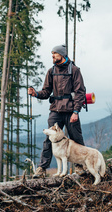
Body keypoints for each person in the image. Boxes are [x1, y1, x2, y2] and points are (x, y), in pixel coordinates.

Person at [28, 44, 86, 178]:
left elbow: (80, 92)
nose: (52, 56)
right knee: (49, 139)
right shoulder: (51, 71)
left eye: (55, 53)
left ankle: (80, 166)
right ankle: (42, 168)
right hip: (55, 110)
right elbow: (46, 92)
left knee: (76, 138)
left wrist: (76, 111)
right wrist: (36, 93)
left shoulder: (75, 70)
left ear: (62, 55)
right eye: (52, 54)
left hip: (71, 110)